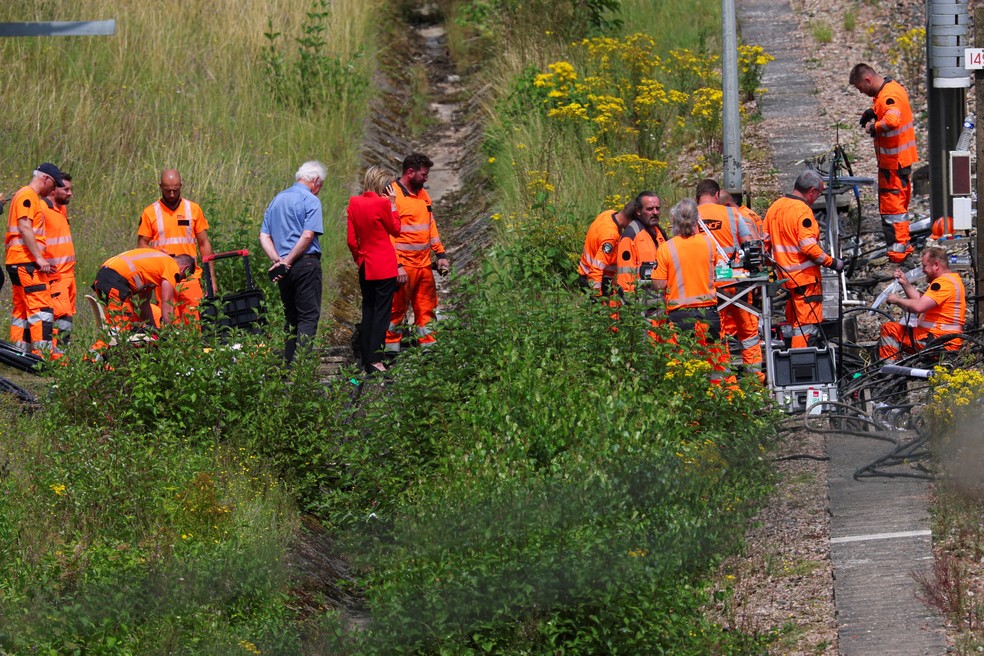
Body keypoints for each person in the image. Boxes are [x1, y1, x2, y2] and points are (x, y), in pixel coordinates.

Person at [764, 170, 845, 348]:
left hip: (787, 280)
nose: (818, 197)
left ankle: (791, 362)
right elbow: (808, 247)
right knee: (805, 327)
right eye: (819, 193)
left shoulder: (775, 207)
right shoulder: (802, 211)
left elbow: (765, 244)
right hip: (805, 279)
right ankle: (802, 367)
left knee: (794, 324)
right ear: (812, 191)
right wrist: (832, 262)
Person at [652, 198, 729, 384]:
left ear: (675, 221)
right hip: (708, 314)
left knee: (681, 367)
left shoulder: (666, 248)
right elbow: (720, 271)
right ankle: (722, 403)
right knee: (716, 365)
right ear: (697, 221)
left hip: (680, 316)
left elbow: (659, 285)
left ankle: (686, 406)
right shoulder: (709, 244)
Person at [850, 63, 918, 264]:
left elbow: (892, 120)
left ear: (867, 79)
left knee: (892, 210)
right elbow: (887, 108)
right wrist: (873, 111)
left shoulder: (889, 96)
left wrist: (874, 127)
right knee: (899, 208)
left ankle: (898, 256)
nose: (861, 92)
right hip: (898, 162)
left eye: (860, 87)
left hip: (893, 164)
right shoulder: (890, 89)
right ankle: (903, 247)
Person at [259, 161, 326, 364]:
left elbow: (264, 235)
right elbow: (307, 236)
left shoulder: (277, 199)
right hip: (305, 263)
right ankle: (301, 368)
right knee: (308, 316)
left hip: (283, 270)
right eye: (320, 185)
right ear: (315, 180)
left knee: (291, 317)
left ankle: (287, 364)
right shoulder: (311, 201)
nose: (319, 190)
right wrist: (288, 261)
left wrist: (277, 260)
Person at [696, 179, 761, 378]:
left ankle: (724, 385)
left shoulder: (691, 217)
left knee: (716, 335)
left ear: (697, 196)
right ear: (717, 195)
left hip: (707, 286)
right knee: (749, 334)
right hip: (738, 283)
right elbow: (750, 246)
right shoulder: (732, 214)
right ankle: (754, 383)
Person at [385, 153, 449, 355]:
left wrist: (440, 255)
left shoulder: (423, 195)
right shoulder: (391, 195)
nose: (426, 178)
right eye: (423, 174)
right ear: (410, 172)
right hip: (403, 267)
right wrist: (396, 265)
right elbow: (388, 235)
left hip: (423, 266)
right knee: (395, 311)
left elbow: (431, 226)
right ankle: (389, 352)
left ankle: (429, 349)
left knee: (426, 309)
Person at [137, 169, 216, 324]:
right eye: (167, 191)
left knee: (195, 322)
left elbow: (204, 243)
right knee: (169, 322)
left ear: (181, 185)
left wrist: (211, 278)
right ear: (160, 186)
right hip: (164, 278)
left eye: (175, 190)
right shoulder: (150, 212)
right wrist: (156, 253)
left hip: (190, 277)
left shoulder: (193, 209)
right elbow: (141, 245)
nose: (172, 195)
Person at [5, 163, 65, 357]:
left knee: (22, 309)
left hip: (18, 261)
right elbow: (24, 226)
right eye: (54, 185)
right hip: (26, 262)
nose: (53, 190)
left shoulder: (25, 195)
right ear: (45, 179)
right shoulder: (28, 195)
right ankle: (41, 357)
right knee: (41, 308)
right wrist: (39, 259)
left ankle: (17, 353)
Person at [347, 166, 401, 374]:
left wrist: (359, 259)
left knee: (368, 310)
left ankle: (366, 358)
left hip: (365, 264)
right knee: (381, 314)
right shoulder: (383, 204)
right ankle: (375, 359)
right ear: (384, 186)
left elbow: (352, 241)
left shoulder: (354, 202)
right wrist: (394, 205)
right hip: (384, 265)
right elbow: (395, 229)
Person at [878, 246, 966, 361]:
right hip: (940, 339)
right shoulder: (951, 280)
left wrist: (897, 300)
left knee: (889, 329)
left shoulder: (943, 284)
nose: (923, 270)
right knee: (898, 330)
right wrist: (905, 283)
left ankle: (888, 371)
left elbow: (919, 306)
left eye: (925, 266)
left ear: (936, 265)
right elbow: (923, 301)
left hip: (938, 341)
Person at [92, 248, 196, 328]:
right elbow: (167, 303)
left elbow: (143, 304)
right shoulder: (172, 266)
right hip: (115, 283)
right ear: (184, 269)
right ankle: (91, 356)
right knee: (121, 330)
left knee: (128, 325)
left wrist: (154, 330)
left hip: (105, 278)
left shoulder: (157, 266)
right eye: (181, 278)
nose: (177, 281)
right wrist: (169, 334)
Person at [42, 173, 76, 345]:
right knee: (59, 314)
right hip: (56, 275)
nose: (70, 193)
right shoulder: (42, 209)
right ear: (53, 190)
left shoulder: (61, 209)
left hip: (68, 274)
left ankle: (62, 356)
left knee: (67, 316)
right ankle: (55, 355)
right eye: (66, 189)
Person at [614, 192, 664, 298]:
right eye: (650, 209)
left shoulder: (659, 232)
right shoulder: (630, 235)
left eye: (657, 208)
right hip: (639, 303)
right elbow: (625, 276)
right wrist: (629, 305)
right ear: (638, 211)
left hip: (659, 301)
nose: (655, 212)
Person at [577, 203, 634, 295]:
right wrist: (596, 297)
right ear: (630, 220)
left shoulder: (608, 214)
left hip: (585, 273)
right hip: (595, 280)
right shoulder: (611, 237)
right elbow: (596, 269)